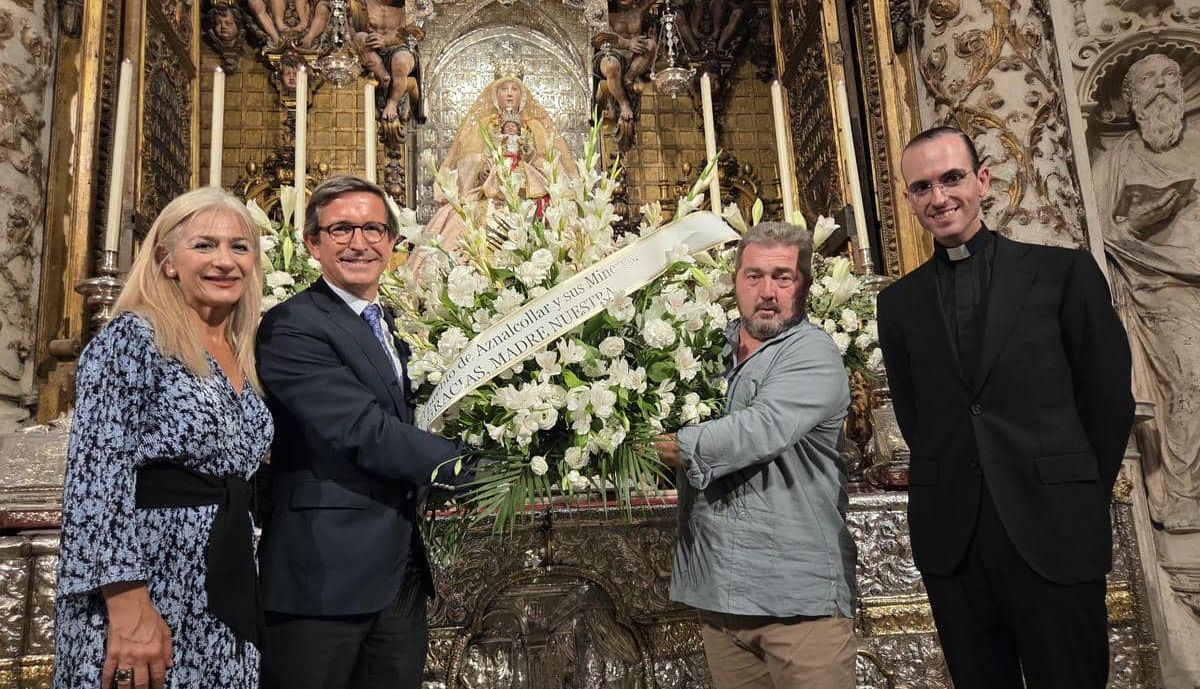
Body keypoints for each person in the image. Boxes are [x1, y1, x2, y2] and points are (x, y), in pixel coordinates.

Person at [876, 126, 1135, 689]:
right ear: (909, 199)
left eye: (952, 179)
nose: (939, 197)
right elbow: (918, 418)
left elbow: (1109, 400)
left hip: (1055, 530)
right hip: (957, 543)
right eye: (921, 187)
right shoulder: (898, 304)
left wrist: (1076, 494)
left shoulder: (1063, 273)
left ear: (982, 180)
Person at [53, 187, 273, 689]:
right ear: (166, 260)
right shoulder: (133, 338)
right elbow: (95, 481)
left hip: (223, 578)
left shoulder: (243, 351)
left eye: (240, 247)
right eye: (204, 245)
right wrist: (128, 607)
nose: (225, 261)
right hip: (149, 583)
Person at [255, 175, 462, 689]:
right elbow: (362, 430)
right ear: (313, 243)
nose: (359, 243)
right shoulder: (292, 324)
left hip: (398, 576)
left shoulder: (393, 322)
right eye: (341, 229)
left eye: (373, 229)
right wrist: (470, 466)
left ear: (393, 241)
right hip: (323, 574)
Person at [653, 221, 857, 689]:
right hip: (723, 601)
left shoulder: (812, 352)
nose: (768, 291)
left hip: (798, 607)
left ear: (803, 285)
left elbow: (760, 429)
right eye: (754, 276)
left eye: (783, 277)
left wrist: (674, 445)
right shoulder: (704, 349)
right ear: (734, 282)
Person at [1091, 52, 1200, 533]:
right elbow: (1097, 233)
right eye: (1148, 80)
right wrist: (1141, 221)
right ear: (1130, 99)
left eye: (1169, 77)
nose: (1161, 86)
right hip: (1157, 285)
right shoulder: (1116, 160)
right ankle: (1183, 492)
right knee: (1190, 381)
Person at [424, 71, 577, 250]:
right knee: (460, 219)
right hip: (491, 188)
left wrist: (530, 157)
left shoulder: (535, 127)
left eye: (515, 89)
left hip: (529, 187)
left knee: (564, 216)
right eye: (504, 89)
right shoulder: (483, 126)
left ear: (523, 95)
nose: (510, 94)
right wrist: (483, 171)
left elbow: (550, 164)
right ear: (496, 96)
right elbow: (470, 164)